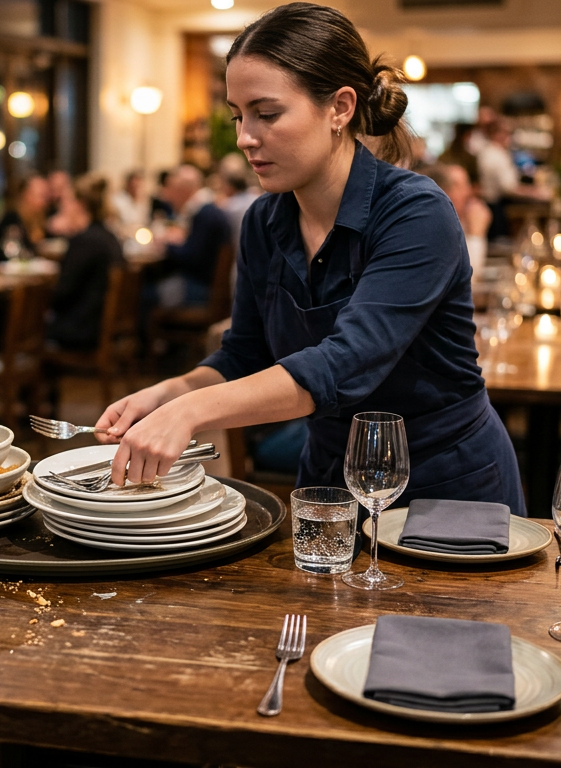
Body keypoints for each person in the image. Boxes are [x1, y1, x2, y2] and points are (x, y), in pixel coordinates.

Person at [95, 2, 523, 517]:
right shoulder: (263, 221)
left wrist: (192, 411)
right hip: (328, 480)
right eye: (238, 116)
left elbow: (344, 363)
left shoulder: (416, 212)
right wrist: (169, 393)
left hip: (444, 483)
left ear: (340, 108)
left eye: (267, 114)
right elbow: (244, 357)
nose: (244, 138)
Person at [45, 174, 125, 351]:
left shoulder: (85, 241)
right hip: (103, 325)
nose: (62, 207)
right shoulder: (108, 236)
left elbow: (62, 293)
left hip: (83, 329)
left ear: (80, 205)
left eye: (67, 201)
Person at [155, 164, 229, 308]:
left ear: (183, 190)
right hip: (206, 284)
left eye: (172, 190)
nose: (167, 196)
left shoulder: (205, 214)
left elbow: (191, 257)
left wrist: (165, 246)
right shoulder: (208, 209)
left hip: (201, 288)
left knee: (142, 294)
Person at [420, 162, 491, 276]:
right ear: (442, 191)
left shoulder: (456, 220)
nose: (468, 192)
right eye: (459, 186)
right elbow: (466, 278)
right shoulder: (431, 228)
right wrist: (476, 234)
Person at [0, 174, 48, 262]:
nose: (44, 202)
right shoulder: (11, 220)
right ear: (26, 195)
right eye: (40, 196)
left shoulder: (43, 220)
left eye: (45, 197)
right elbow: (9, 254)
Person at [110, 169, 151, 237]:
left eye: (138, 185)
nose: (136, 188)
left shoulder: (143, 201)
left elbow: (144, 221)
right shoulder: (118, 201)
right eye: (134, 185)